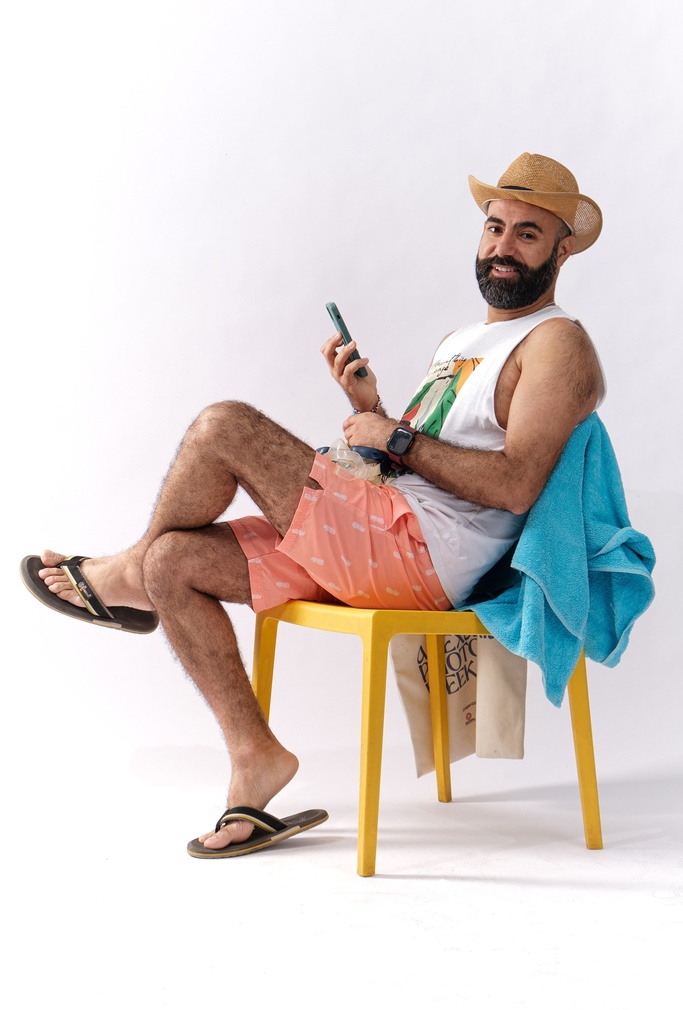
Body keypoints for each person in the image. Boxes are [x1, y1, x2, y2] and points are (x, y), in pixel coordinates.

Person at [21, 152, 605, 859]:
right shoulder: (462, 343)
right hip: (378, 528)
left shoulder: (557, 344)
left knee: (223, 426)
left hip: (415, 559)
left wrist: (394, 437)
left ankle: (119, 578)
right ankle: (254, 759)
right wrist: (373, 412)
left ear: (562, 251)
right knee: (176, 563)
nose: (501, 247)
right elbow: (423, 462)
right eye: (493, 227)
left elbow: (514, 484)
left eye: (527, 234)